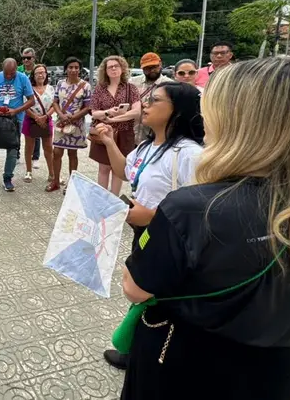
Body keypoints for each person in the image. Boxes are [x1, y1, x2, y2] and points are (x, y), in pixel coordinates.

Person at [118, 57, 290, 400]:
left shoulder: (194, 208)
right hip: (274, 369)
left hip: (186, 368)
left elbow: (136, 288)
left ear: (239, 121)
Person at [94, 82, 205, 371]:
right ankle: (136, 351)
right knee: (144, 293)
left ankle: (147, 355)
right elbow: (124, 172)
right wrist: (108, 142)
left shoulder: (189, 154)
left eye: (154, 100)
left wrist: (152, 216)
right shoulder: (148, 146)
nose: (145, 105)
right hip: (143, 231)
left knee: (157, 298)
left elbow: (197, 210)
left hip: (169, 240)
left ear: (177, 111)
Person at [89, 56, 141, 195]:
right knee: (104, 168)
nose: (113, 69)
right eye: (109, 67)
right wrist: (108, 112)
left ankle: (114, 198)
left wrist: (114, 120)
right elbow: (94, 113)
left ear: (122, 68)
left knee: (118, 169)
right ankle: (102, 199)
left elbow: (136, 112)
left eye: (116, 66)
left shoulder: (131, 88)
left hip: (124, 133)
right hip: (104, 133)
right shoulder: (100, 89)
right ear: (105, 71)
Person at [0, 58, 34, 192]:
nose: (9, 76)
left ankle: (8, 178)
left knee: (12, 150)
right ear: (2, 70)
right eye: (6, 73)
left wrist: (16, 110)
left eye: (12, 73)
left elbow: (31, 100)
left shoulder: (23, 78)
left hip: (15, 120)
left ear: (16, 69)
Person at [50, 57, 92, 192]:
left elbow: (87, 107)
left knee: (72, 154)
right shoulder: (60, 83)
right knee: (56, 152)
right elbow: (55, 102)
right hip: (61, 123)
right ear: (66, 69)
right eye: (70, 67)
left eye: (76, 67)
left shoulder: (85, 86)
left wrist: (73, 117)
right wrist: (61, 115)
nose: (73, 70)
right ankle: (55, 181)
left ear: (79, 69)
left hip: (76, 125)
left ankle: (71, 184)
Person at [23, 64, 56, 185]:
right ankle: (28, 171)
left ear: (46, 74)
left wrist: (45, 116)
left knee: (48, 148)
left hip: (46, 120)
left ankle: (52, 173)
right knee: (29, 148)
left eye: (43, 72)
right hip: (31, 120)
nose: (41, 75)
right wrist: (36, 117)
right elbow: (25, 106)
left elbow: (55, 105)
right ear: (33, 75)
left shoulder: (51, 89)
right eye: (38, 73)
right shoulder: (29, 89)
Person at [130, 53, 172, 145]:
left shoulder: (169, 85)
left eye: (154, 66)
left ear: (160, 64)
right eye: (147, 68)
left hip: (155, 136)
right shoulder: (132, 82)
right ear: (142, 68)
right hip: (131, 134)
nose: (152, 70)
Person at [18, 48, 41, 166]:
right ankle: (16, 154)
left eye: (28, 58)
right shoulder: (18, 70)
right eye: (23, 58)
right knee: (17, 130)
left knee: (35, 132)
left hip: (34, 104)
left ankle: (35, 157)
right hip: (19, 104)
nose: (26, 60)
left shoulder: (38, 70)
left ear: (34, 58)